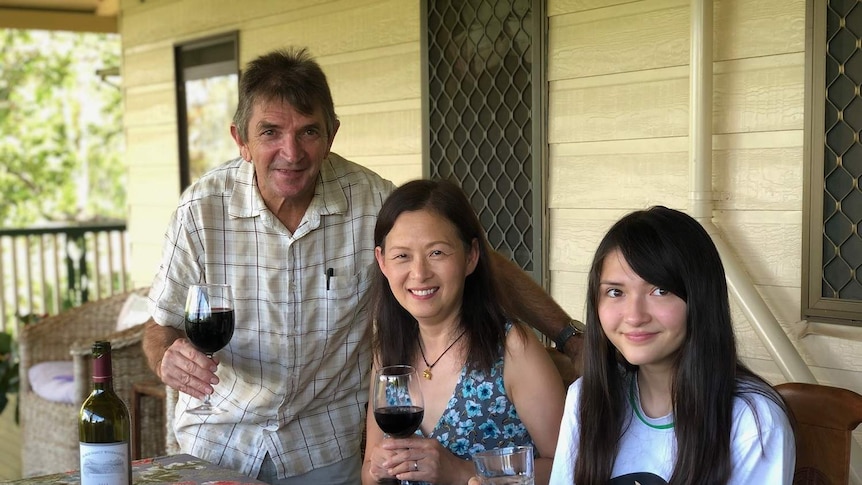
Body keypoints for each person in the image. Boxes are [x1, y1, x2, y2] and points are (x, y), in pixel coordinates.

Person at [143, 47, 580, 484]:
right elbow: (160, 324)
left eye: (308, 132)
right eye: (271, 132)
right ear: (241, 139)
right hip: (220, 442)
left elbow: (467, 256)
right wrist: (167, 355)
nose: (291, 152)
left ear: (332, 134)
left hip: (321, 449)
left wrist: (568, 335)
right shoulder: (200, 210)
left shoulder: (371, 200)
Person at [549, 206, 795, 484]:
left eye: (660, 290)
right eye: (615, 292)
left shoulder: (752, 420)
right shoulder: (587, 398)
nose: (634, 316)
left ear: (700, 299)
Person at [361, 180, 565, 485]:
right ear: (382, 262)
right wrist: (378, 470)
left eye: (437, 253)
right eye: (402, 256)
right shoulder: (389, 351)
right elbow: (368, 470)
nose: (419, 273)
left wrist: (461, 472)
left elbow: (571, 466)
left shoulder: (512, 348)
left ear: (471, 256)